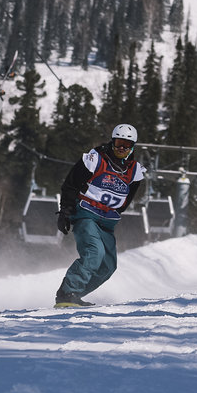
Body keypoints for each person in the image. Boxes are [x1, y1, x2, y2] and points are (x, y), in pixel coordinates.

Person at [54, 124, 146, 307]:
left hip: (107, 222)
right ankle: (66, 292)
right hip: (86, 214)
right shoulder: (95, 159)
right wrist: (65, 211)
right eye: (119, 143)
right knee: (94, 253)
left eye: (126, 145)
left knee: (108, 266)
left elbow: (128, 198)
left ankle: (75, 295)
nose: (121, 148)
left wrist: (113, 211)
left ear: (132, 147)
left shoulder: (135, 171)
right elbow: (71, 184)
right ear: (112, 142)